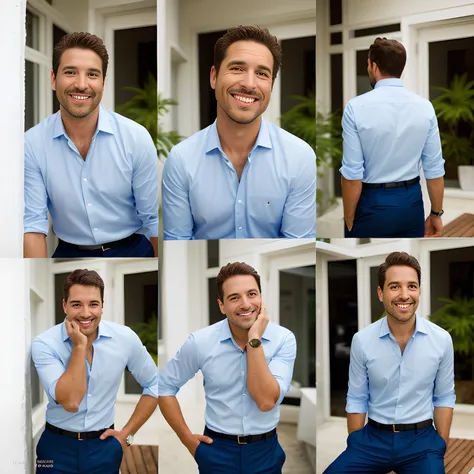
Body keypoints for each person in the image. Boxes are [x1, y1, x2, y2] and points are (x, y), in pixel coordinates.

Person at [162, 25, 316, 240]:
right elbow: (177, 240)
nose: (249, 84)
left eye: (262, 73)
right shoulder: (181, 160)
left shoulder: (299, 157)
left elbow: (297, 243)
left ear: (271, 85)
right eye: (237, 68)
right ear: (214, 77)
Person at [24, 32, 158, 258]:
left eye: (92, 74)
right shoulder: (32, 144)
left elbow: (153, 220)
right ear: (53, 79)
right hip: (67, 252)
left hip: (134, 248)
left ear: (103, 82)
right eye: (70, 72)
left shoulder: (136, 138)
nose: (81, 84)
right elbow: (33, 227)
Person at [158, 262, 296, 473]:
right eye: (234, 297)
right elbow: (164, 387)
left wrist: (254, 339)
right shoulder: (201, 341)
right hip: (217, 451)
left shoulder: (283, 339)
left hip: (265, 452)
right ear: (221, 305)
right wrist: (188, 441)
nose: (246, 304)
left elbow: (266, 401)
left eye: (252, 294)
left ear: (261, 298)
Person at [324, 252, 455, 474]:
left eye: (412, 286)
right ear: (380, 293)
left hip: (421, 441)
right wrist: (355, 443)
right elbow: (357, 398)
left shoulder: (441, 340)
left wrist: (439, 446)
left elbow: (443, 396)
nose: (404, 295)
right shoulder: (362, 340)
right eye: (394, 286)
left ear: (419, 291)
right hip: (372, 439)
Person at [32, 269, 158, 474]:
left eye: (93, 304)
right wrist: (79, 347)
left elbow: (154, 384)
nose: (85, 313)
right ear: (64, 305)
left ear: (102, 306)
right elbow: (71, 402)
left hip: (104, 448)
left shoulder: (124, 338)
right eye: (76, 304)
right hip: (54, 451)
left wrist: (127, 435)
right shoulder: (45, 344)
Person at [340, 37, 445, 238]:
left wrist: (348, 216)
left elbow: (353, 174)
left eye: (368, 64)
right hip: (411, 205)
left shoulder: (355, 107)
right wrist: (435, 213)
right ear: (400, 68)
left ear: (374, 65)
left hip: (371, 204)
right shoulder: (425, 107)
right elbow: (434, 168)